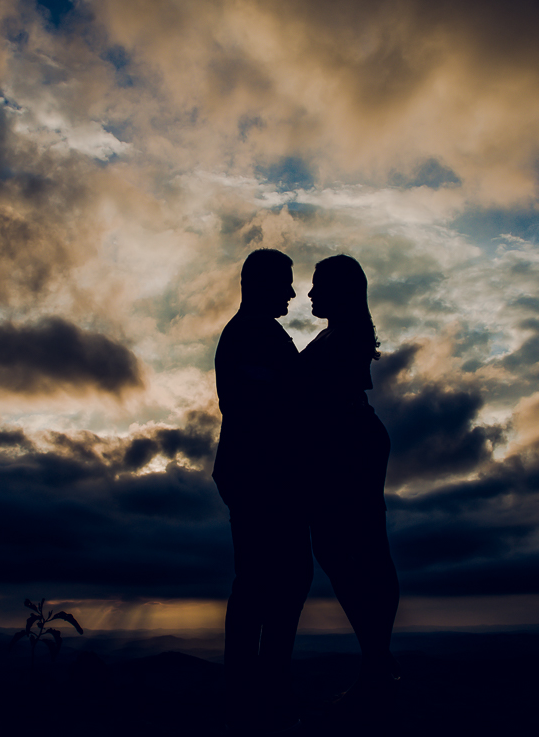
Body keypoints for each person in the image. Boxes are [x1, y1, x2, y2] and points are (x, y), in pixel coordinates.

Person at [213, 248, 313, 733]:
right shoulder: (252, 334)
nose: (293, 293)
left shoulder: (256, 333)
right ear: (260, 283)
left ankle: (258, 691)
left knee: (268, 583)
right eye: (285, 283)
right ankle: (263, 694)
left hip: (257, 475)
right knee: (273, 582)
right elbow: (267, 404)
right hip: (262, 477)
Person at [300, 254, 401, 718]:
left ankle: (377, 670)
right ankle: (377, 667)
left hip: (350, 447)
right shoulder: (337, 335)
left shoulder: (345, 337)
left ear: (340, 289)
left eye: (318, 285)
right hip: (347, 444)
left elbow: (317, 396)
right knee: (348, 552)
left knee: (357, 552)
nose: (310, 293)